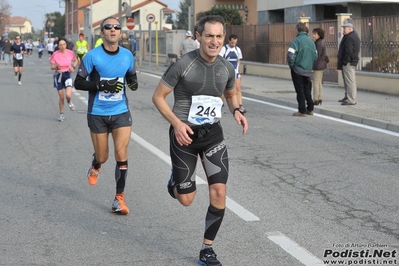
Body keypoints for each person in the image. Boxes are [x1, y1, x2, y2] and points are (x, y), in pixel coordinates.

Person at [152, 15, 248, 266]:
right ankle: (175, 181)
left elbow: (231, 94)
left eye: (218, 36)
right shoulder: (184, 64)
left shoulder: (227, 67)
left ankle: (207, 249)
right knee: (186, 200)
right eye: (209, 36)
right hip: (184, 134)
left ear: (223, 38)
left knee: (219, 190)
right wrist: (176, 123)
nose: (214, 41)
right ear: (198, 37)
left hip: (213, 134)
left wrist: (238, 111)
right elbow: (158, 97)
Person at [74, 16, 138, 215]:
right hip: (97, 113)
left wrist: (133, 83)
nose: (113, 30)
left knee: (121, 153)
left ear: (120, 32)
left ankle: (119, 198)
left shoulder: (127, 55)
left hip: (120, 112)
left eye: (116, 27)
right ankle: (96, 164)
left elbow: (131, 76)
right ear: (102, 33)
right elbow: (78, 83)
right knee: (103, 156)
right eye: (108, 27)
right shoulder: (92, 56)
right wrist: (101, 85)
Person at [287, 22, 317, 116]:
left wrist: (292, 65)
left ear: (297, 29)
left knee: (299, 90)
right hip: (308, 70)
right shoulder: (311, 42)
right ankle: (310, 108)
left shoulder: (295, 41)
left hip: (297, 69)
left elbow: (290, 56)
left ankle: (302, 110)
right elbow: (315, 56)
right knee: (307, 89)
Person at [50, 38, 78, 121]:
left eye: (64, 44)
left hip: (67, 74)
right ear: (58, 46)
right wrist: (56, 67)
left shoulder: (70, 53)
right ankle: (61, 114)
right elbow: (51, 67)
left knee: (68, 95)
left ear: (66, 45)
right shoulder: (55, 54)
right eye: (60, 45)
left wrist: (73, 66)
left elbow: (76, 60)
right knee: (61, 97)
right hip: (58, 76)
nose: (62, 46)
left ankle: (69, 101)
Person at [219, 34, 246, 113]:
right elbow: (220, 60)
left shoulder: (237, 49)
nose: (233, 44)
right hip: (226, 72)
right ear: (229, 41)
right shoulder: (224, 49)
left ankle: (240, 106)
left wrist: (240, 72)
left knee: (238, 88)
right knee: (224, 89)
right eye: (232, 43)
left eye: (235, 43)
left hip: (236, 73)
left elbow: (238, 61)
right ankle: (220, 105)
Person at [337, 18, 360, 105]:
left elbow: (348, 51)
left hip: (349, 63)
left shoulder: (350, 37)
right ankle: (348, 96)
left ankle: (351, 99)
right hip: (350, 62)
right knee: (348, 81)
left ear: (350, 28)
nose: (343, 29)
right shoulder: (352, 36)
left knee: (350, 81)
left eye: (344, 28)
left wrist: (345, 62)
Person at [311, 28, 328, 106]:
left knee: (315, 82)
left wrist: (313, 67)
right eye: (313, 33)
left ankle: (315, 99)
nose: (313, 35)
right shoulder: (321, 42)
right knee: (319, 82)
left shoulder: (318, 44)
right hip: (321, 65)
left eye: (315, 34)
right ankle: (320, 98)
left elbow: (316, 56)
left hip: (318, 66)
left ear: (319, 35)